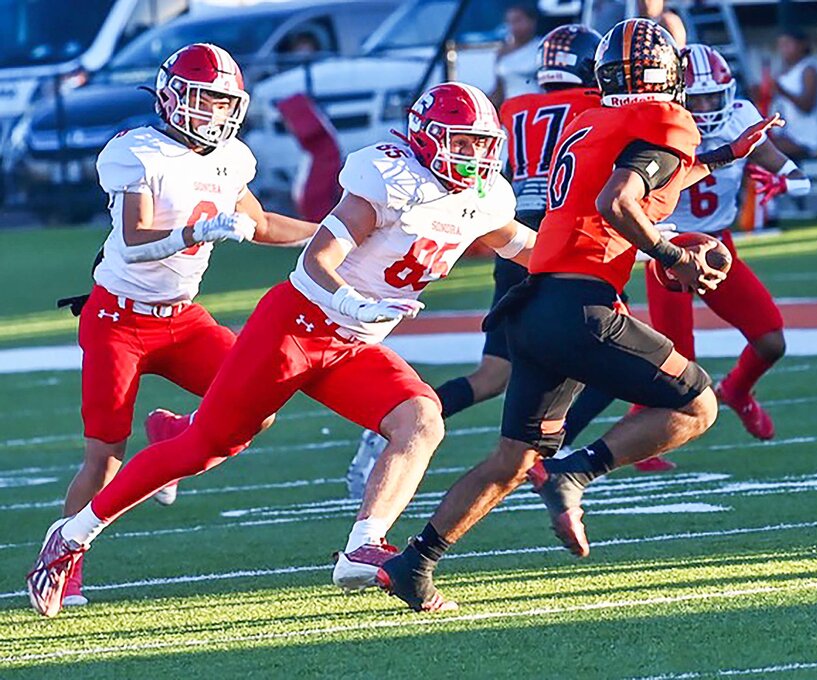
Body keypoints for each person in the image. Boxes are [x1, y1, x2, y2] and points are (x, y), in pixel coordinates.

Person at [26, 82, 539, 618]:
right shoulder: (388, 179)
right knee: (204, 447)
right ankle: (72, 536)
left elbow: (524, 246)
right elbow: (318, 262)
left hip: (352, 346)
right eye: (464, 142)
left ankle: (365, 544)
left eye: (484, 144)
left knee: (422, 420)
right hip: (297, 326)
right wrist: (354, 302)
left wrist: (599, 259)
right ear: (428, 138)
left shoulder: (483, 197)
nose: (476, 156)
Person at [377, 19, 783, 612]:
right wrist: (673, 256)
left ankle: (415, 562)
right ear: (670, 75)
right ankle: (577, 472)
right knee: (698, 403)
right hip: (581, 307)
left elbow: (645, 173)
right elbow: (618, 199)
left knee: (512, 459)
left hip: (533, 302)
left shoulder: (591, 119)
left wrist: (722, 155)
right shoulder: (665, 118)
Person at [54, 43, 317, 609]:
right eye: (204, 100)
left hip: (183, 318)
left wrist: (333, 231)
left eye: (224, 103)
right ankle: (66, 561)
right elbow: (134, 238)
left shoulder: (231, 159)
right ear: (171, 97)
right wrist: (195, 235)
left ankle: (177, 433)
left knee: (260, 401)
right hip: (118, 320)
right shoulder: (137, 151)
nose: (215, 114)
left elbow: (262, 221)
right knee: (105, 456)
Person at [345, 24, 604, 500]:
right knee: (606, 353)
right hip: (556, 240)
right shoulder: (592, 107)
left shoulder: (516, 107)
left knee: (494, 375)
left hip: (514, 233)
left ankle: (390, 426)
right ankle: (553, 460)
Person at [560, 44, 812, 459]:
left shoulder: (738, 117)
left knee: (771, 340)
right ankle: (636, 448)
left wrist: (793, 179)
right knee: (673, 369)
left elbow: (773, 157)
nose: (709, 105)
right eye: (699, 97)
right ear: (678, 94)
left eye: (716, 95)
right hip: (667, 248)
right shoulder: (662, 124)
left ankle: (737, 391)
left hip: (716, 247)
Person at [767, 30, 817, 160]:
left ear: (801, 45)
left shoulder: (809, 69)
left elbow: (807, 106)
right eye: (781, 45)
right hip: (786, 133)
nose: (783, 50)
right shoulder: (782, 71)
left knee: (763, 149)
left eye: (787, 44)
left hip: (806, 136)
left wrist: (782, 91)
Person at [490, 4, 541, 109]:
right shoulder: (502, 51)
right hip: (511, 112)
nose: (514, 26)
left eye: (518, 21)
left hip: (536, 109)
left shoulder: (541, 47)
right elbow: (499, 91)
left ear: (532, 22)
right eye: (510, 22)